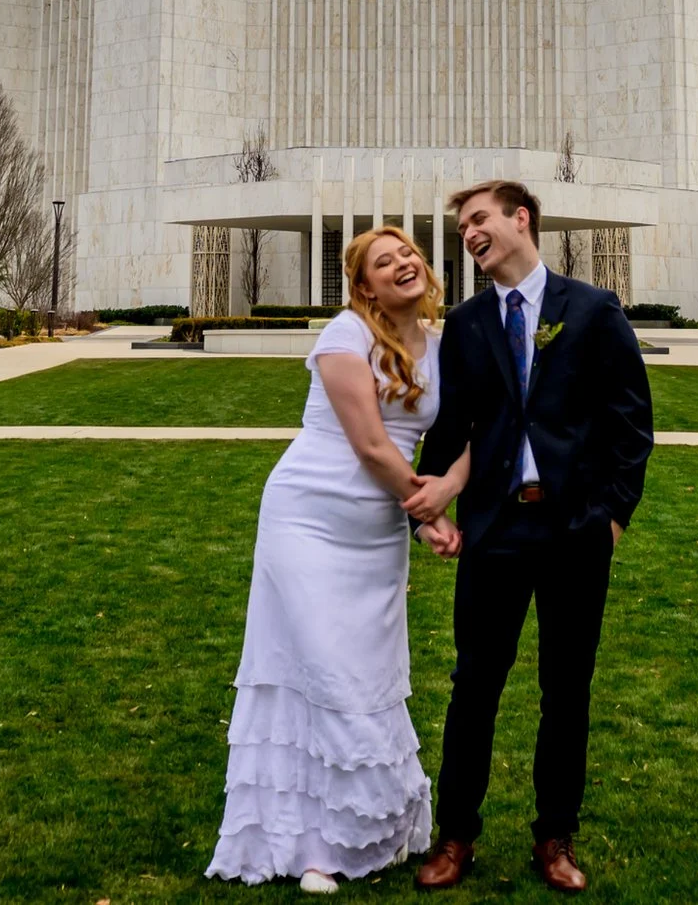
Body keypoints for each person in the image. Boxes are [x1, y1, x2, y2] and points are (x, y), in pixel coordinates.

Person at [402, 180, 654, 894]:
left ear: (521, 219)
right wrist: (431, 510)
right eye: (461, 227)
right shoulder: (469, 321)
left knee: (566, 689)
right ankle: (456, 835)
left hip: (576, 531)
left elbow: (631, 426)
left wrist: (611, 515)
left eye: (477, 219)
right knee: (474, 685)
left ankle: (554, 835)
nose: (468, 234)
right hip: (496, 529)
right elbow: (453, 430)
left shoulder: (594, 310)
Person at [207, 225, 470, 894]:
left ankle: (372, 826)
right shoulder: (344, 334)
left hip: (377, 530)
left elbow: (479, 431)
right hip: (307, 517)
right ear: (364, 285)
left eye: (408, 252)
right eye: (385, 261)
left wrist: (449, 488)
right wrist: (430, 512)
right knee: (319, 668)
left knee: (365, 671)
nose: (403, 262)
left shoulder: (445, 346)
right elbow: (373, 446)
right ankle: (312, 844)